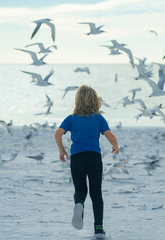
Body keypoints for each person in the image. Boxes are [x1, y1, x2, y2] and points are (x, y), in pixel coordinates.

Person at [54, 85, 119, 239]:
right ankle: (98, 229)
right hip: (94, 157)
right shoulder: (98, 118)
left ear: (77, 100)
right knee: (96, 193)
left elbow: (57, 133)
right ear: (95, 100)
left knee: (80, 190)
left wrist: (62, 150)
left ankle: (79, 205)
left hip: (77, 157)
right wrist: (115, 145)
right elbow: (109, 134)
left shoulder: (71, 118)